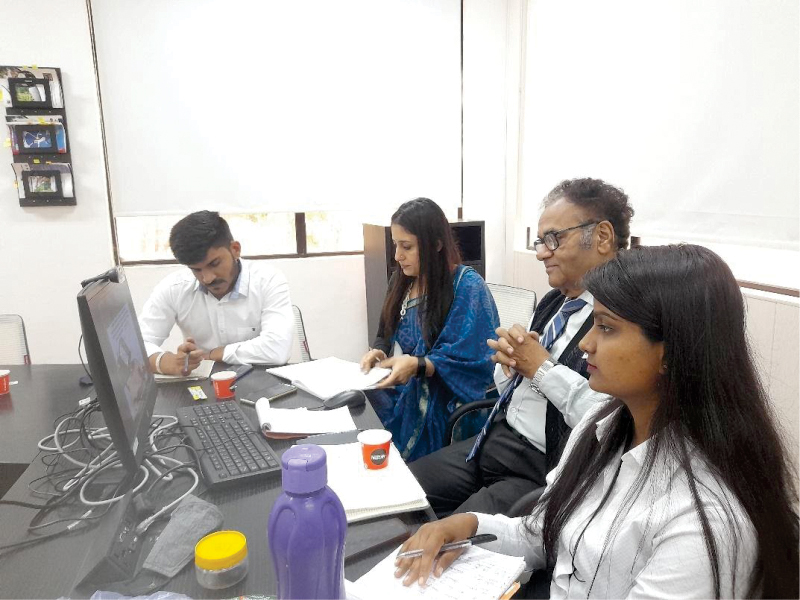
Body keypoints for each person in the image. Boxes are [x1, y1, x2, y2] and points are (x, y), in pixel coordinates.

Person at [395, 245, 799, 599]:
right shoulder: (599, 426)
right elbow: (543, 534)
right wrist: (467, 525)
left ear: (671, 352)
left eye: (606, 327)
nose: (586, 343)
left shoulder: (701, 522)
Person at [410, 178, 633, 516]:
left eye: (554, 239)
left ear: (602, 237)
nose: (541, 253)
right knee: (402, 489)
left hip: (543, 466)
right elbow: (513, 387)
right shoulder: (554, 302)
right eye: (540, 241)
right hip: (496, 437)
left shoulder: (624, 318)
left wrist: (540, 368)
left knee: (448, 536)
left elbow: (613, 418)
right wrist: (510, 365)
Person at [360, 198, 499, 462]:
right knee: (358, 407)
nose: (397, 256)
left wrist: (418, 365)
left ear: (436, 245)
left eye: (407, 247)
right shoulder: (400, 280)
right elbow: (384, 332)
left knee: (381, 444)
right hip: (408, 387)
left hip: (445, 399)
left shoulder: (467, 286)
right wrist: (378, 350)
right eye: (395, 245)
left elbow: (475, 360)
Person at [139, 211, 293, 375]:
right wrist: (164, 362)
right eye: (196, 270)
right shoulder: (173, 288)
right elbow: (136, 346)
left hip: (260, 380)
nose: (207, 278)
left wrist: (216, 354)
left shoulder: (268, 281)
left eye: (214, 264)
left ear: (235, 249)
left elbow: (278, 348)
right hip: (201, 384)